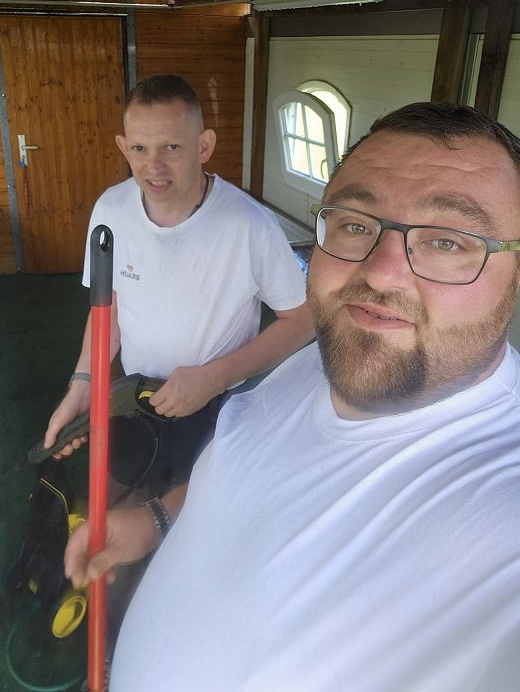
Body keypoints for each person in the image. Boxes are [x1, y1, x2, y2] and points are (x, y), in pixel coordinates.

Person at [65, 102, 520, 692]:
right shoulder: (319, 361)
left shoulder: (501, 519)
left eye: (449, 241)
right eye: (355, 224)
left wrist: (213, 376)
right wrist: (156, 520)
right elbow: (246, 466)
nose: (380, 273)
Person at [44, 73, 313, 489]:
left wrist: (215, 378)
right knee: (124, 493)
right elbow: (107, 308)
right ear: (124, 147)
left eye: (171, 147)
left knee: (196, 510)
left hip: (218, 406)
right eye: (140, 148)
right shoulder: (110, 211)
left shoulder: (249, 224)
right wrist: (84, 383)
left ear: (204, 146)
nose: (153, 167)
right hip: (133, 397)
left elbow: (303, 320)